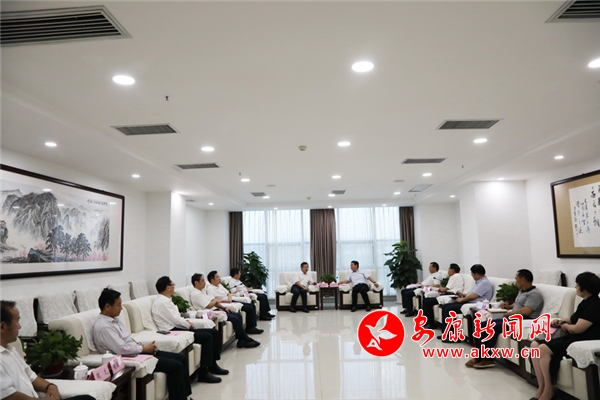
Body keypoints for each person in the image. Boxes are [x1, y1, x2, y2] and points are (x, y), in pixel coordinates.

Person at [92, 288, 193, 400]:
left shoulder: (114, 320)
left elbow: (127, 340)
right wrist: (143, 348)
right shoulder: (104, 327)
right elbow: (121, 349)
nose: (121, 308)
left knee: (182, 359)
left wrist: (144, 347)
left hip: (136, 352)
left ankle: (186, 397)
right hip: (129, 357)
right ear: (107, 306)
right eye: (118, 305)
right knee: (176, 366)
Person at [1, 300, 95, 400]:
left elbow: (32, 377)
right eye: (17, 322)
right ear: (2, 326)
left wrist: (51, 387)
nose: (19, 326)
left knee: (87, 399)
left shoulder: (10, 350)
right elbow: (8, 396)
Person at [530, 272, 600, 400]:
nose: (575, 287)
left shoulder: (594, 305)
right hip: (574, 337)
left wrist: (565, 326)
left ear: (585, 289)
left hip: (581, 339)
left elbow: (577, 329)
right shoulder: (585, 302)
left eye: (577, 285)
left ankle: (549, 390)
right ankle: (541, 387)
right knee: (534, 345)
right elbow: (573, 319)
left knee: (542, 349)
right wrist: (561, 321)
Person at [151, 276, 227, 383]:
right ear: (168, 288)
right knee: (207, 337)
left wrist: (186, 322)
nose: (174, 287)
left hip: (177, 326)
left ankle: (213, 365)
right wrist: (188, 325)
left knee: (213, 332)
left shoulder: (166, 300)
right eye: (173, 285)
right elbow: (175, 320)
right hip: (172, 330)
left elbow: (176, 317)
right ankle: (203, 372)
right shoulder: (162, 303)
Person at [466, 269, 543, 369]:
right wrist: (509, 306)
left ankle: (487, 359)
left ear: (523, 280)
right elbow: (519, 303)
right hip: (514, 318)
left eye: (516, 279)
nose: (515, 281)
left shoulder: (534, 294)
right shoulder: (522, 291)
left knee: (491, 328)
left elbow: (526, 311)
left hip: (523, 320)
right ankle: (480, 356)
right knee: (482, 325)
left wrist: (510, 314)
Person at [190, 273, 260, 348]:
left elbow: (214, 302)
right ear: (196, 282)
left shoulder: (202, 291)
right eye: (202, 281)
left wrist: (224, 308)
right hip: (208, 313)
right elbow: (209, 305)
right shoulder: (196, 294)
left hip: (215, 309)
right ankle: (245, 339)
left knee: (237, 315)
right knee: (235, 318)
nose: (205, 282)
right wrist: (214, 301)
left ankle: (242, 340)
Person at [438, 264, 493, 343]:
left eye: (472, 274)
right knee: (445, 306)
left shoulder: (484, 283)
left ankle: (452, 336)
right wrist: (462, 294)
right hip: (469, 301)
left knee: (448, 309)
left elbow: (473, 296)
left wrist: (462, 300)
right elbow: (471, 294)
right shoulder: (479, 282)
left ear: (476, 274)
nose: (472, 276)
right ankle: (446, 334)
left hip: (475, 304)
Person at [422, 263, 464, 329]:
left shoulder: (454, 276)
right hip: (449, 294)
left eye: (449, 269)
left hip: (451, 295)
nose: (448, 271)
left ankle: (431, 323)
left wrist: (439, 288)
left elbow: (445, 289)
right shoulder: (456, 276)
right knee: (427, 300)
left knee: (427, 302)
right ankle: (429, 322)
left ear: (453, 270)